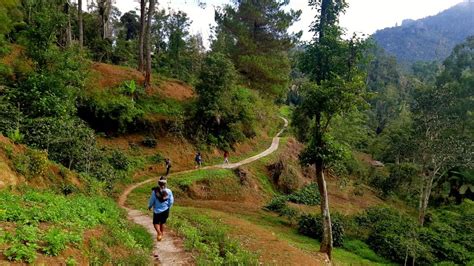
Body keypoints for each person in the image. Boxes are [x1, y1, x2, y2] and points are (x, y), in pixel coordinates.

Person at [148, 176, 174, 241]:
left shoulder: (155, 192)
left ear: (158, 183)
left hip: (157, 210)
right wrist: (168, 206)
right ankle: (161, 234)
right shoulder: (169, 191)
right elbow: (171, 201)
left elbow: (152, 200)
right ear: (165, 184)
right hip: (166, 210)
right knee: (162, 222)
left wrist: (150, 206)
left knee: (155, 223)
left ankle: (159, 233)